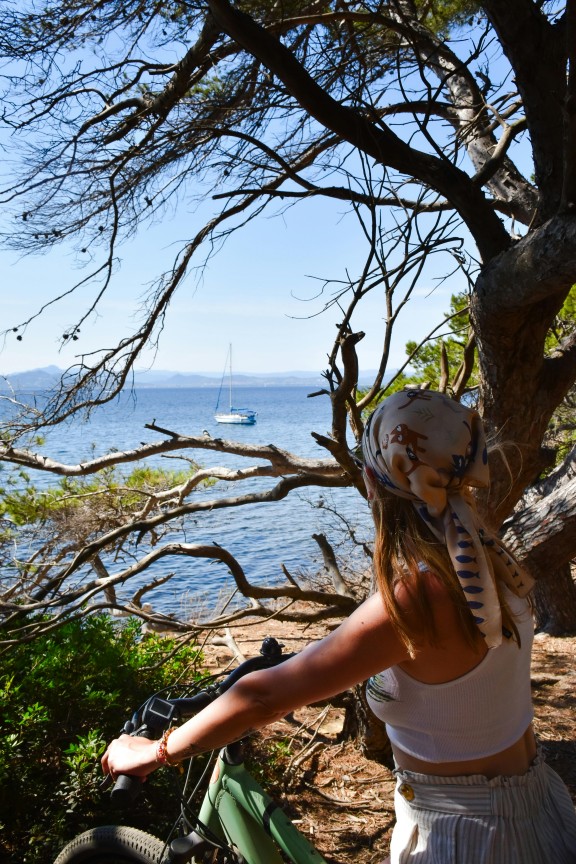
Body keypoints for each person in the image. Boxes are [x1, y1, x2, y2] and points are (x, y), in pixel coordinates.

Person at [102, 389, 576, 863]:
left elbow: (262, 698)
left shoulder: (418, 596)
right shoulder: (485, 556)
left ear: (373, 480)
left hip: (469, 836)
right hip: (531, 804)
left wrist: (153, 752)